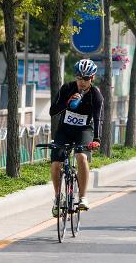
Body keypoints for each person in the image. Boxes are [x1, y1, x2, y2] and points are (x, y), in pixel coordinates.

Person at [49, 59, 103, 217]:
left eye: (86, 79)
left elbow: (98, 119)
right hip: (64, 130)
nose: (82, 82)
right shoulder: (67, 88)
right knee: (56, 164)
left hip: (84, 131)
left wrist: (97, 140)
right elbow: (52, 111)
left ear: (92, 78)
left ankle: (83, 197)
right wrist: (67, 103)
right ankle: (58, 198)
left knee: (81, 156)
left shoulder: (96, 95)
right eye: (79, 78)